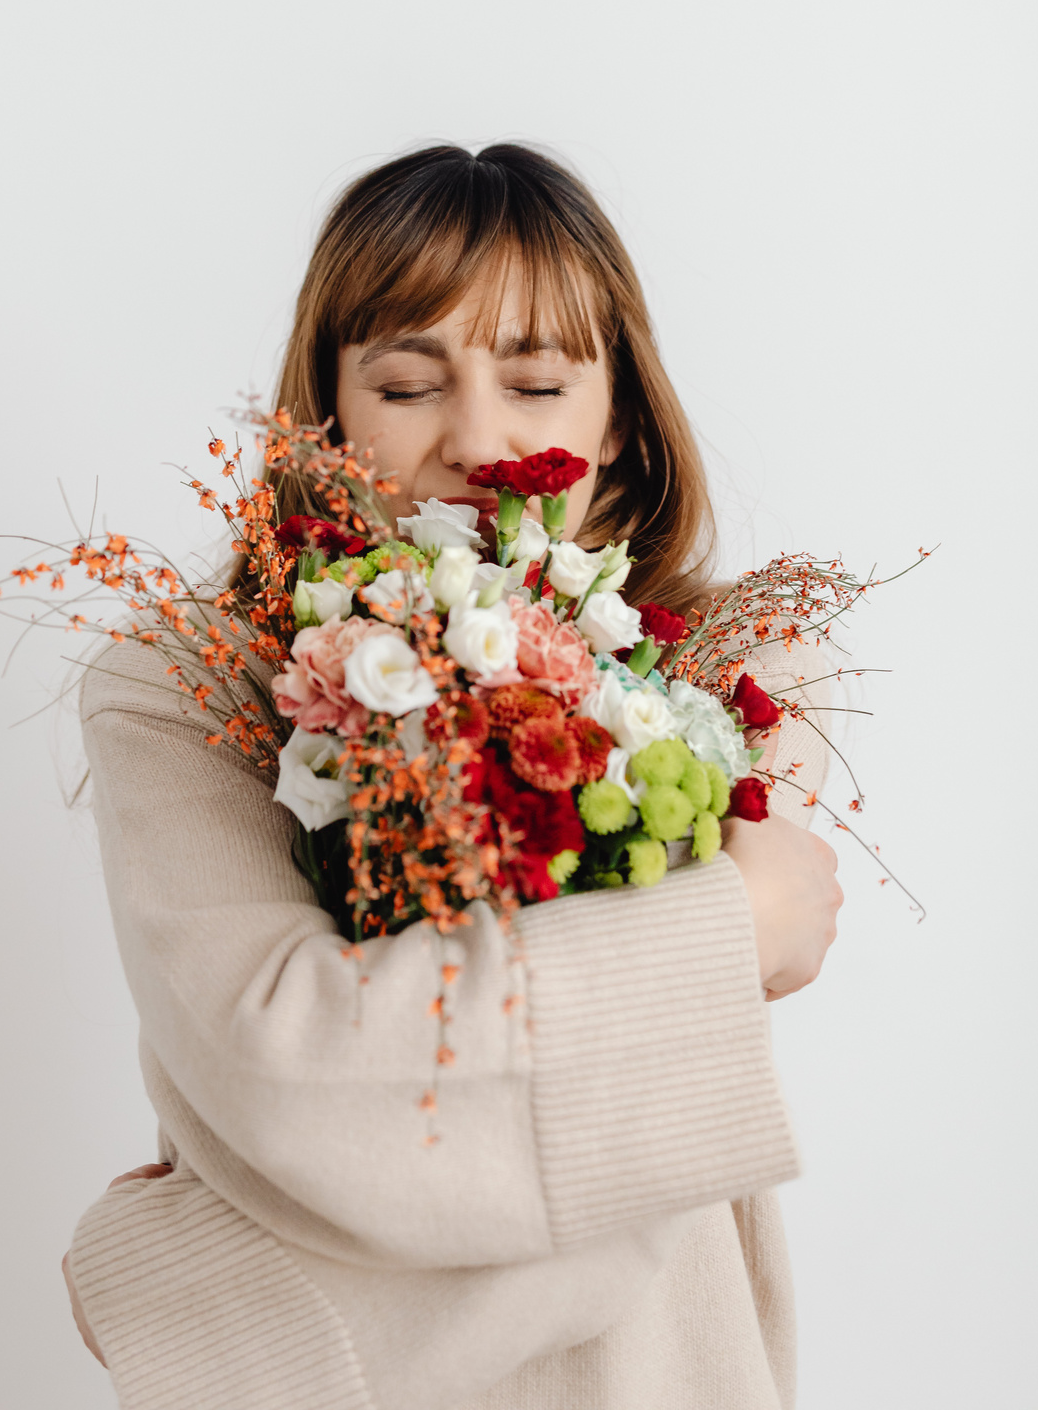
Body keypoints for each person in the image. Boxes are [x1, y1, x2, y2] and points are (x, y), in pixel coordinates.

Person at [62, 142, 843, 1410]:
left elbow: (636, 1143)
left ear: (622, 418)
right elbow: (289, 1067)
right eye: (410, 384)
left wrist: (204, 1298)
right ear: (329, 419)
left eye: (536, 381)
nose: (479, 441)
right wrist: (722, 937)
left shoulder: (740, 678)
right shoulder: (188, 686)